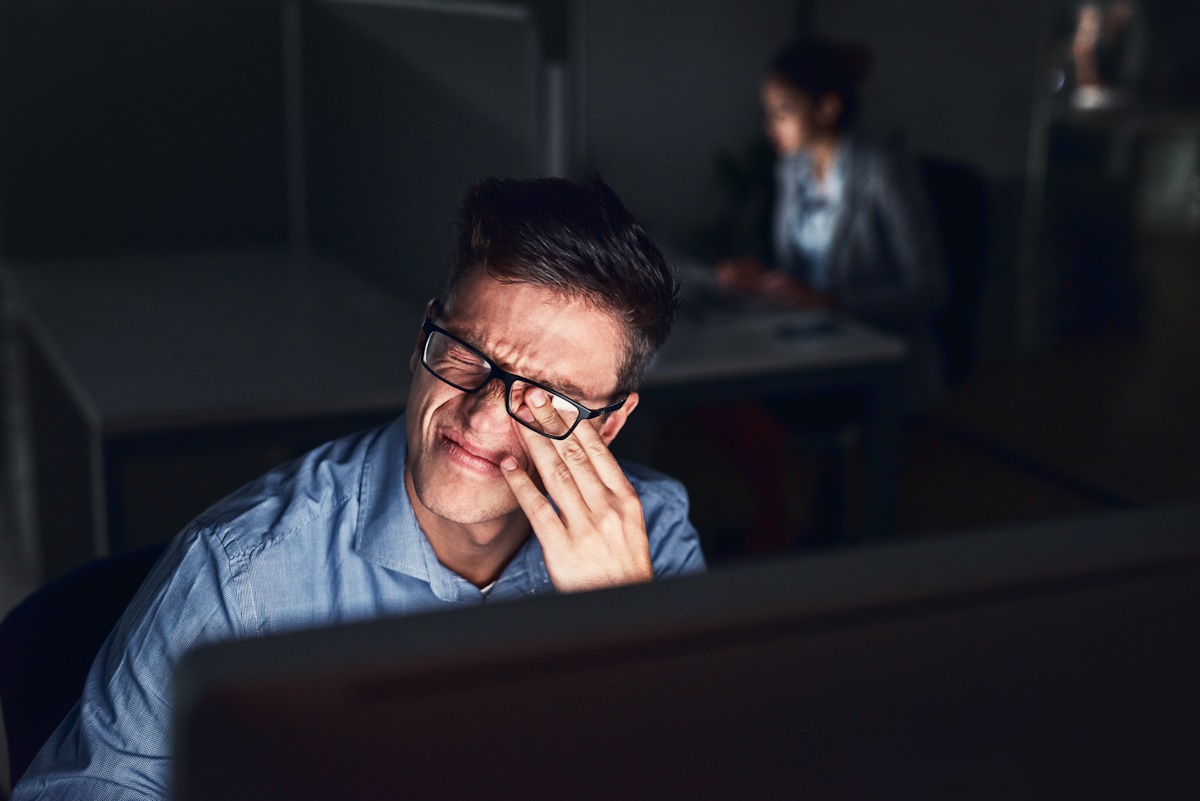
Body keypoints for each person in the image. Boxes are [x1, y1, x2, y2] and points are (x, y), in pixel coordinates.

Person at [12, 176, 706, 800]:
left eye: (549, 396)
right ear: (422, 336)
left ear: (609, 423)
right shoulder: (242, 574)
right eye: (469, 352)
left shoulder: (652, 537)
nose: (484, 414)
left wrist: (623, 636)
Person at [717, 37, 947, 410]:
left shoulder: (881, 172)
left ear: (827, 107)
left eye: (784, 111)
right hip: (812, 345)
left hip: (879, 356)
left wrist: (832, 302)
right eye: (768, 112)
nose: (770, 125)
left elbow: (930, 289)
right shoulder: (793, 170)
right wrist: (761, 279)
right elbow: (798, 274)